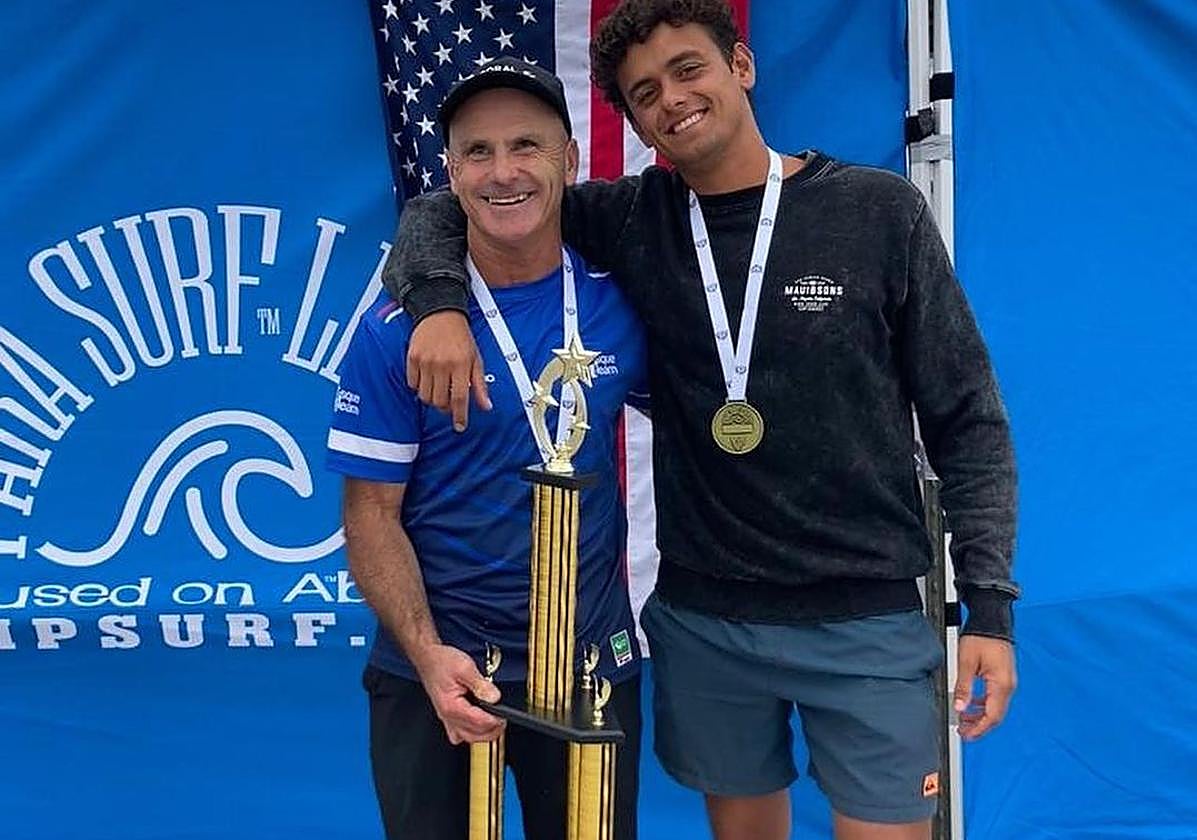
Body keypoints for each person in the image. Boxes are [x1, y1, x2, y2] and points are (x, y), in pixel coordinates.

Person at [382, 2, 1019, 839]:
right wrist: (435, 305)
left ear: (741, 67)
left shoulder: (878, 211)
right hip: (707, 620)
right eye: (645, 92)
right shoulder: (628, 218)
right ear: (635, 121)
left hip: (864, 615)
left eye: (689, 70)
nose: (672, 99)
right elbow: (449, 204)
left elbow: (965, 416)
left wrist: (990, 609)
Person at [327, 59, 647, 840]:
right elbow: (371, 515)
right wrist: (430, 655)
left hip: (584, 671)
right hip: (438, 671)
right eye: (477, 152)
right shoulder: (393, 331)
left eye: (525, 147)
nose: (503, 172)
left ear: (569, 160)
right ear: (450, 172)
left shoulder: (620, 302)